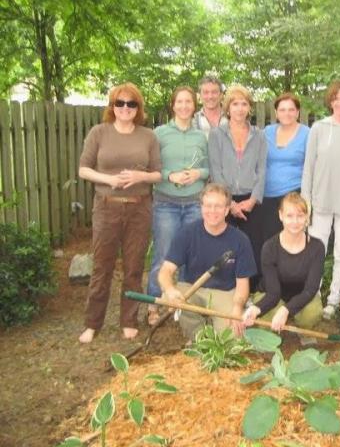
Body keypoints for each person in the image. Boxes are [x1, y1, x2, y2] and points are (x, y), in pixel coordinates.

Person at [78, 82, 161, 343]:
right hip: (106, 207)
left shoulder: (148, 136)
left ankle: (129, 320)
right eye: (120, 103)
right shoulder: (99, 132)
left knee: (134, 266)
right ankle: (92, 323)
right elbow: (83, 169)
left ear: (138, 108)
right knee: (102, 266)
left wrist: (140, 175)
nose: (125, 108)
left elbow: (158, 173)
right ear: (112, 107)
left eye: (131, 103)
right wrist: (108, 180)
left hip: (139, 208)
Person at [157, 183, 257, 339]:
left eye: (218, 206)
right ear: (201, 207)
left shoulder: (240, 240)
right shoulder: (187, 233)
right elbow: (165, 271)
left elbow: (243, 284)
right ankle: (198, 337)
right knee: (167, 296)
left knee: (232, 340)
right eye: (208, 206)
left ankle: (219, 330)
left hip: (225, 293)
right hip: (193, 290)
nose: (212, 211)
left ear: (226, 210)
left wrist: (237, 308)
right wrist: (170, 290)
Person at [145, 86, 209, 326]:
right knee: (163, 255)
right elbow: (150, 168)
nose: (184, 106)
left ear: (194, 106)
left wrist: (197, 173)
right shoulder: (159, 134)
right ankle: (154, 304)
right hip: (166, 204)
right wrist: (169, 175)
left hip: (194, 203)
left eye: (188, 102)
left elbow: (208, 169)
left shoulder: (200, 136)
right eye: (179, 102)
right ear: (173, 105)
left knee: (191, 256)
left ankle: (185, 305)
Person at [301, 80, 340, 319]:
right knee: (316, 250)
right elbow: (308, 167)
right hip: (320, 200)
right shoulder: (319, 128)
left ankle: (334, 299)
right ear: (330, 101)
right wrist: (306, 202)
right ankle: (312, 295)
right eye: (335, 97)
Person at [208, 85, 267, 291]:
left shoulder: (259, 135)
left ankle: (251, 291)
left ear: (249, 108)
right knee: (225, 247)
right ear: (228, 108)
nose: (240, 108)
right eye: (235, 104)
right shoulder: (216, 135)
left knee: (252, 247)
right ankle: (225, 289)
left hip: (251, 201)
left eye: (244, 104)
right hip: (226, 201)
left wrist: (253, 200)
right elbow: (216, 171)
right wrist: (230, 203)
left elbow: (262, 170)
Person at [242, 193, 325, 332]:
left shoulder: (317, 247)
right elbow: (273, 292)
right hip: (273, 294)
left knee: (311, 314)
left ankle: (300, 324)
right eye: (289, 216)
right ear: (281, 215)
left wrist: (286, 310)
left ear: (307, 217)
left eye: (300, 216)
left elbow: (311, 289)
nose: (295, 221)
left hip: (302, 293)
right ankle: (274, 322)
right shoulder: (270, 247)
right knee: (267, 316)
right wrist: (256, 309)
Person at [261, 93, 309, 243]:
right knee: (269, 241)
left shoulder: (307, 134)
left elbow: (312, 166)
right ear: (276, 112)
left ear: (297, 112)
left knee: (291, 240)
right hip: (267, 196)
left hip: (294, 194)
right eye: (282, 110)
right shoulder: (267, 132)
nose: (286, 113)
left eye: (291, 109)